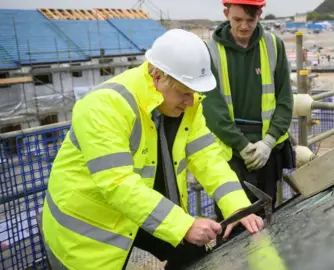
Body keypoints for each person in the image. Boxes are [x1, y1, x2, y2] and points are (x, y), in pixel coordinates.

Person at [40, 29, 264, 270]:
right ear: (157, 77)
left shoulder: (185, 104)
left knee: (191, 253)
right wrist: (183, 225)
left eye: (194, 93)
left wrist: (238, 207)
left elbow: (209, 159)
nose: (191, 101)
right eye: (184, 93)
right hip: (87, 233)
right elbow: (117, 183)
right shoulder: (103, 106)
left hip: (140, 208)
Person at [202, 0, 295, 222]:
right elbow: (212, 109)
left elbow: (285, 100)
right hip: (231, 154)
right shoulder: (209, 51)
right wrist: (242, 146)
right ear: (226, 13)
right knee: (232, 221)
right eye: (237, 19)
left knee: (265, 218)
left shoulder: (273, 45)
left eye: (250, 20)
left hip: (267, 153)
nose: (244, 26)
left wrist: (268, 142)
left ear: (260, 15)